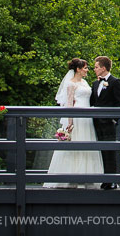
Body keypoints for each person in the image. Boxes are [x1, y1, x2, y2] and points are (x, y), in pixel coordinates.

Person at [45, 58, 103, 188]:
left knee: (87, 143)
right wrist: (70, 122)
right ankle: (71, 177)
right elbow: (69, 103)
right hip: (77, 117)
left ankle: (87, 176)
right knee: (75, 144)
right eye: (85, 68)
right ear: (78, 69)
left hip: (87, 118)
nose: (87, 70)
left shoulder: (85, 82)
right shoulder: (71, 84)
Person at [90, 55, 120, 189]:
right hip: (97, 123)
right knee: (102, 151)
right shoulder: (95, 83)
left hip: (108, 123)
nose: (94, 69)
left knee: (111, 151)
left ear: (103, 68)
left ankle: (112, 180)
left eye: (96, 67)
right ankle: (105, 179)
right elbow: (93, 103)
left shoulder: (115, 82)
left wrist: (113, 120)